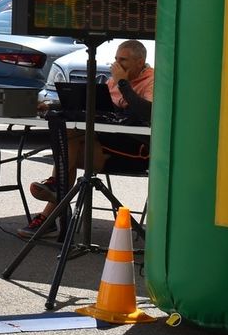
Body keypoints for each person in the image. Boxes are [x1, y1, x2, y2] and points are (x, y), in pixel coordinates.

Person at [20, 39, 154, 239]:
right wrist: (52, 105)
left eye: (123, 60)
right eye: (116, 59)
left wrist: (123, 83)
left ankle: (54, 204)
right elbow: (92, 104)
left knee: (69, 153)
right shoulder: (116, 78)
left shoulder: (152, 80)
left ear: (140, 61)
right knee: (69, 140)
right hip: (107, 143)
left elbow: (146, 112)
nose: (117, 65)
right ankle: (55, 198)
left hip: (136, 149)